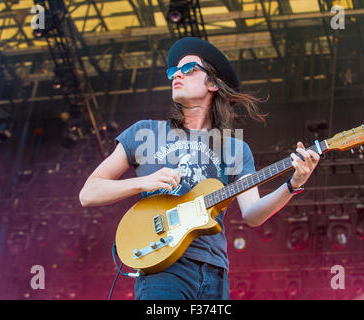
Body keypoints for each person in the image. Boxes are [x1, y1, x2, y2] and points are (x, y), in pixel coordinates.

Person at [79, 37, 320, 300]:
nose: (176, 76)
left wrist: (292, 184)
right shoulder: (144, 132)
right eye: (173, 71)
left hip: (215, 271)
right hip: (164, 266)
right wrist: (143, 182)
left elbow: (253, 214)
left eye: (188, 69)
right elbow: (89, 193)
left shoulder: (235, 149)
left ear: (214, 83)